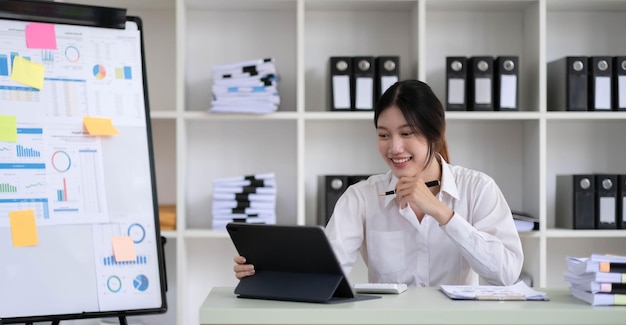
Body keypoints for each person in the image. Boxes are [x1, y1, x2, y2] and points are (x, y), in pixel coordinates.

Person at [234, 79, 523, 287]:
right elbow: (326, 272)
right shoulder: (362, 198)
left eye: (407, 133)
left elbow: (506, 273)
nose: (394, 148)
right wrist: (267, 270)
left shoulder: (478, 188)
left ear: (435, 135)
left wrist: (441, 213)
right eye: (384, 135)